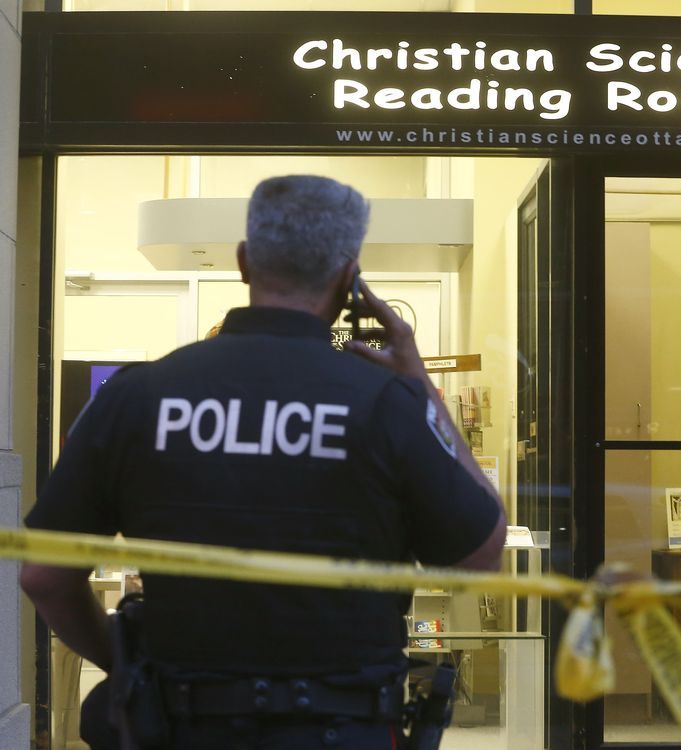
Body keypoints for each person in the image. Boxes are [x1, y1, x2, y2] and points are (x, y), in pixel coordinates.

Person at [20, 175, 507, 749]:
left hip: (180, 725)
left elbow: (44, 576)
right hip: (342, 729)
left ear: (244, 261)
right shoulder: (385, 403)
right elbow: (480, 556)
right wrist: (421, 386)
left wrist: (131, 669)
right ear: (349, 278)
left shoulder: (136, 397)